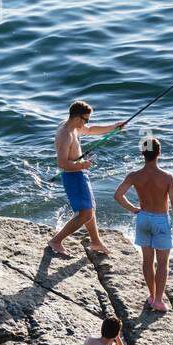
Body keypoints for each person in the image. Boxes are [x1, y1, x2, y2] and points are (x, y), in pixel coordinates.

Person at [113, 133, 173, 312]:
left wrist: (134, 209)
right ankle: (158, 300)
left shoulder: (135, 176)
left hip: (143, 218)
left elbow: (118, 195)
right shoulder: (167, 177)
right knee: (162, 263)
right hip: (160, 220)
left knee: (147, 260)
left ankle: (151, 296)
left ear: (142, 154)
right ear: (159, 153)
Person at [49, 100, 126, 256]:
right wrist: (81, 166)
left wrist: (114, 127)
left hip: (79, 174)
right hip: (73, 176)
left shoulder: (72, 126)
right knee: (85, 213)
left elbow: (91, 130)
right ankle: (56, 241)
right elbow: (62, 163)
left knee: (90, 209)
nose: (87, 123)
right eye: (86, 119)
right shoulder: (66, 134)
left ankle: (96, 242)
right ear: (77, 118)